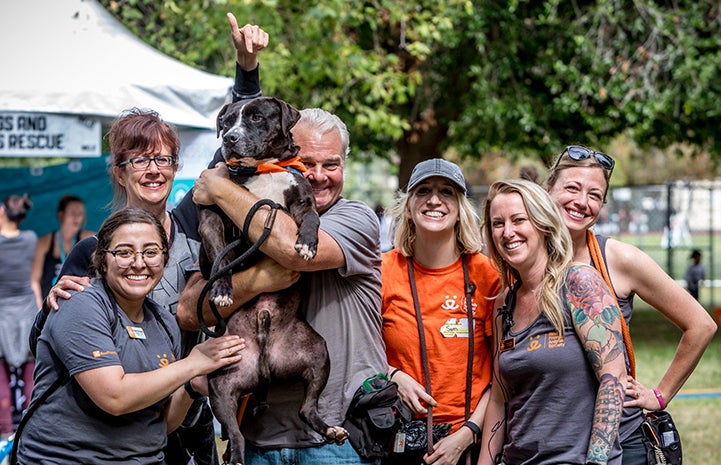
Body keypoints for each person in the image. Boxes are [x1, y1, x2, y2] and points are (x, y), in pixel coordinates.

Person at [30, 17, 296, 465]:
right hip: (110, 417)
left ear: (176, 168)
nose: (153, 169)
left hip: (186, 405)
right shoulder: (91, 250)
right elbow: (52, 337)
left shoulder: (194, 221)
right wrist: (50, 302)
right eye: (139, 160)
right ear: (119, 171)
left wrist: (246, 66)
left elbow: (241, 134)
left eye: (164, 159)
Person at [178, 107, 387, 465]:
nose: (318, 175)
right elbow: (188, 309)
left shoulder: (355, 218)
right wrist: (257, 280)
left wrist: (219, 187)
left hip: (339, 439)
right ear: (284, 150)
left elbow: (292, 250)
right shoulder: (240, 206)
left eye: (331, 164)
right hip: (261, 436)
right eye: (308, 161)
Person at [15, 208, 244, 465]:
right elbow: (115, 397)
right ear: (102, 260)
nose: (138, 263)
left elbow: (159, 424)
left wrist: (191, 386)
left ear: (164, 259)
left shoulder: (164, 322)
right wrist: (191, 364)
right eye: (124, 252)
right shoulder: (81, 304)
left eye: (151, 252)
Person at [544, 145, 717, 465]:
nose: (582, 202)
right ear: (547, 189)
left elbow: (701, 324)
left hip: (619, 447)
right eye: (571, 187)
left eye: (594, 195)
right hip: (548, 446)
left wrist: (660, 394)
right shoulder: (523, 260)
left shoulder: (620, 259)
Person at [478, 179, 627, 465]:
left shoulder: (579, 282)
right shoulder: (503, 304)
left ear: (543, 223)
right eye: (498, 224)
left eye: (519, 220)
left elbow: (613, 378)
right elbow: (499, 398)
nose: (508, 232)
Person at [381, 159, 500, 465]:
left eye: (446, 192)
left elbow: (504, 370)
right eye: (423, 191)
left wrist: (468, 433)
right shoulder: (382, 272)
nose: (434, 200)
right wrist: (392, 374)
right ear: (408, 206)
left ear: (460, 209)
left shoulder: (487, 276)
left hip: (471, 440)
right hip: (399, 437)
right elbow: (359, 351)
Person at [0, 194, 39, 438]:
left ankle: (4, 433)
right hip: (27, 312)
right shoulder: (31, 238)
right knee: (31, 375)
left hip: (1, 314)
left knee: (1, 378)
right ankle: (30, 431)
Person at [30, 194, 95, 306]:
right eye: (73, 213)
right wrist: (40, 310)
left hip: (78, 303)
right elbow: (34, 281)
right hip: (49, 303)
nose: (77, 217)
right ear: (61, 215)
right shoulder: (44, 242)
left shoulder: (89, 239)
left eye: (81, 214)